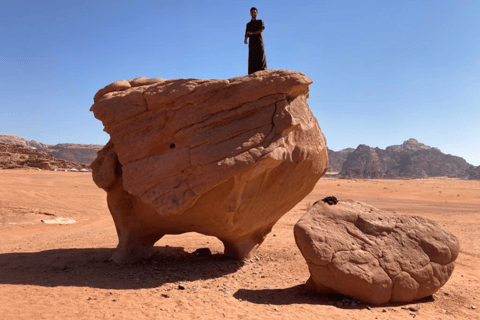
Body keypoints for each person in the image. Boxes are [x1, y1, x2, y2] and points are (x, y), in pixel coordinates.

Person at [244, 7, 267, 74]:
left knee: (260, 55)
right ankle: (252, 73)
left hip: (259, 41)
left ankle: (263, 71)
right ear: (250, 13)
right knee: (252, 56)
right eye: (252, 12)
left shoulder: (260, 21)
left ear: (257, 13)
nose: (253, 13)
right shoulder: (248, 24)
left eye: (254, 12)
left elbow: (261, 30)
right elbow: (246, 33)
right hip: (252, 42)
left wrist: (252, 33)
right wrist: (245, 39)